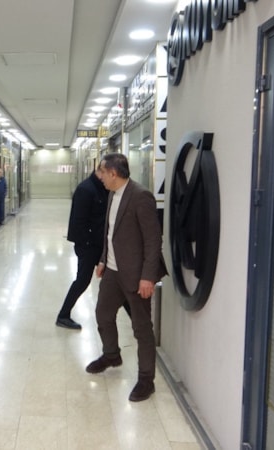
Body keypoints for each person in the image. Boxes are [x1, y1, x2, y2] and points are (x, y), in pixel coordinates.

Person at [85, 153, 167, 402]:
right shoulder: (112, 194)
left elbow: (153, 240)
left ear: (113, 173)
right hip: (112, 271)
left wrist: (148, 277)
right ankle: (112, 355)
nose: (99, 176)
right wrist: (103, 259)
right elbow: (110, 233)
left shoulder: (141, 196)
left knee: (141, 328)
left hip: (136, 274)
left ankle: (146, 380)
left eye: (102, 171)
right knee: (103, 314)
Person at [56, 167, 109, 330]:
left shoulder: (103, 188)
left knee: (113, 280)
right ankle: (63, 316)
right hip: (88, 246)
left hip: (99, 244)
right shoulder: (85, 189)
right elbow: (78, 221)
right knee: (82, 280)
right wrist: (87, 244)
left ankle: (132, 316)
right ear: (101, 171)